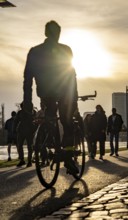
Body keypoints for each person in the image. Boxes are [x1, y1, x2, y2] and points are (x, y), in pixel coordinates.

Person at [22, 20, 79, 174]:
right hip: (63, 92)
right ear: (58, 34)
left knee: (50, 118)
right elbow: (71, 76)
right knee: (67, 123)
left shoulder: (34, 51)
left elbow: (27, 79)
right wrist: (74, 98)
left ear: (46, 33)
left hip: (46, 93)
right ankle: (67, 157)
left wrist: (27, 101)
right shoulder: (66, 50)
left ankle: (49, 139)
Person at [15, 102, 36, 167]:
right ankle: (22, 160)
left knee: (29, 146)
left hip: (30, 131)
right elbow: (16, 121)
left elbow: (36, 121)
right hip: (21, 131)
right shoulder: (20, 112)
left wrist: (34, 130)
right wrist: (14, 130)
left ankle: (29, 161)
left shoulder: (33, 112)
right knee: (19, 146)